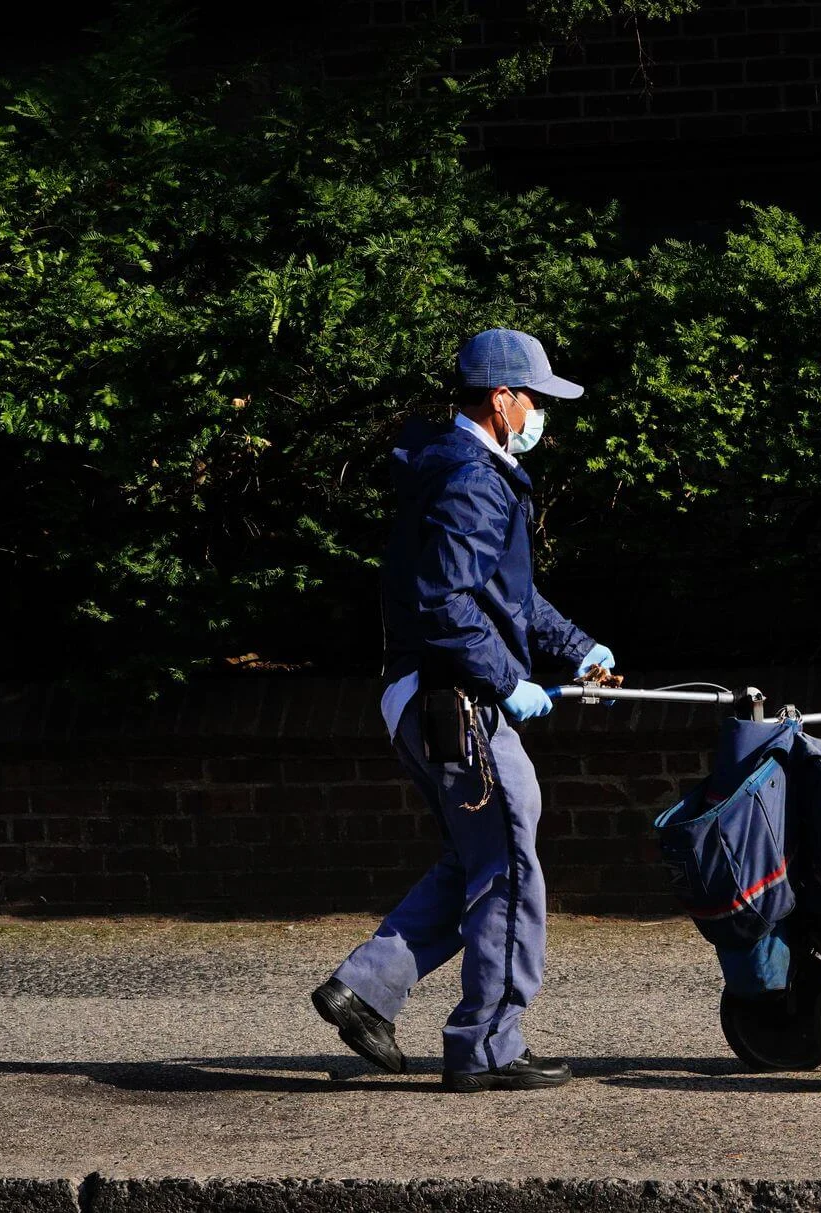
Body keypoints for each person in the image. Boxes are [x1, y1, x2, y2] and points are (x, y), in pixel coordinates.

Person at [310, 328, 614, 1092]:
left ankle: (367, 987)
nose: (543, 412)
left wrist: (576, 646)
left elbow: (502, 595)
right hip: (458, 698)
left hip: (426, 693)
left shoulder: (456, 467)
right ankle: (486, 1044)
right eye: (537, 398)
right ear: (501, 398)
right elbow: (446, 601)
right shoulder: (474, 478)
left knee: (481, 858)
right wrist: (507, 680)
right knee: (510, 863)